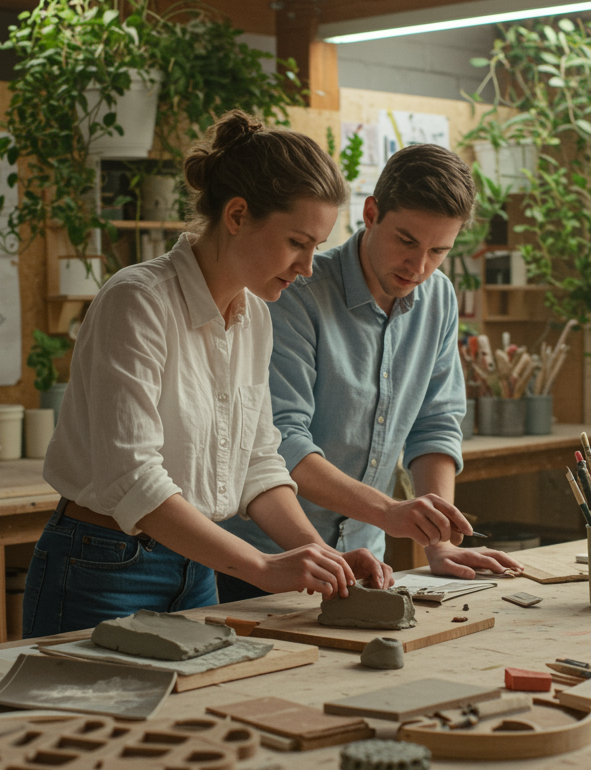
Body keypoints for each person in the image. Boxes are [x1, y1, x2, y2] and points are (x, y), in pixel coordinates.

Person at [23, 110, 393, 639]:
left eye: (316, 247)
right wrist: (263, 567)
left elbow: (259, 463)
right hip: (101, 568)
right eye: (297, 242)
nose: (309, 266)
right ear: (238, 215)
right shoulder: (139, 301)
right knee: (91, 717)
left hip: (197, 566)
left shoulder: (255, 316)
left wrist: (317, 553)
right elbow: (132, 479)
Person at [218, 143, 521, 603]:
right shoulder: (294, 291)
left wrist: (437, 542)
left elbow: (435, 424)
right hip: (265, 563)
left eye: (438, 250)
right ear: (372, 213)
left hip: (364, 564)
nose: (418, 267)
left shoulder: (437, 298)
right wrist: (391, 511)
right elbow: (282, 439)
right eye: (406, 241)